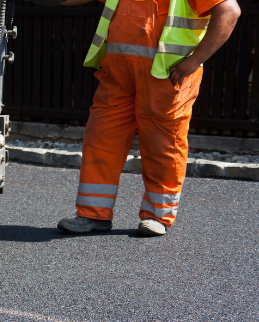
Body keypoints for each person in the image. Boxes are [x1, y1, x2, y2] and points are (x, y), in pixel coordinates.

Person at [55, 0, 240, 236]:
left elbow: (230, 11)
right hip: (120, 76)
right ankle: (92, 214)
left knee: (162, 146)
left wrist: (193, 62)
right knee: (101, 140)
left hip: (166, 76)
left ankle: (158, 215)